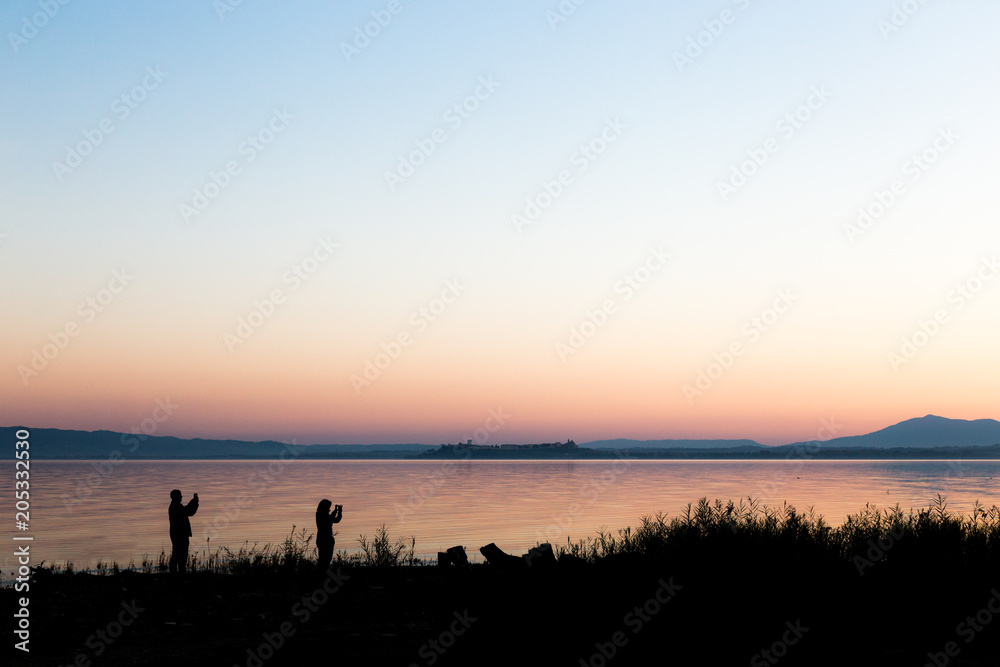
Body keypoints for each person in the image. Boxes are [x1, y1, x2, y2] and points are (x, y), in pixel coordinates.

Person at [168, 489, 199, 573]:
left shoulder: (176, 506)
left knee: (179, 553)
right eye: (180, 495)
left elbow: (188, 511)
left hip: (178, 533)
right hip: (179, 534)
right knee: (179, 553)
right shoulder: (176, 507)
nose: (181, 497)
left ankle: (177, 571)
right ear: (176, 497)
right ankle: (176, 571)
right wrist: (194, 502)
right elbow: (188, 511)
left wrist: (194, 502)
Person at [315, 499, 343, 570]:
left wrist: (334, 511)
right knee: (327, 559)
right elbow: (336, 520)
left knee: (322, 558)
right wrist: (340, 511)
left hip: (320, 539)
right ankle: (324, 574)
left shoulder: (319, 514)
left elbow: (330, 518)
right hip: (327, 540)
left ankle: (320, 573)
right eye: (328, 507)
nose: (329, 508)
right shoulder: (325, 516)